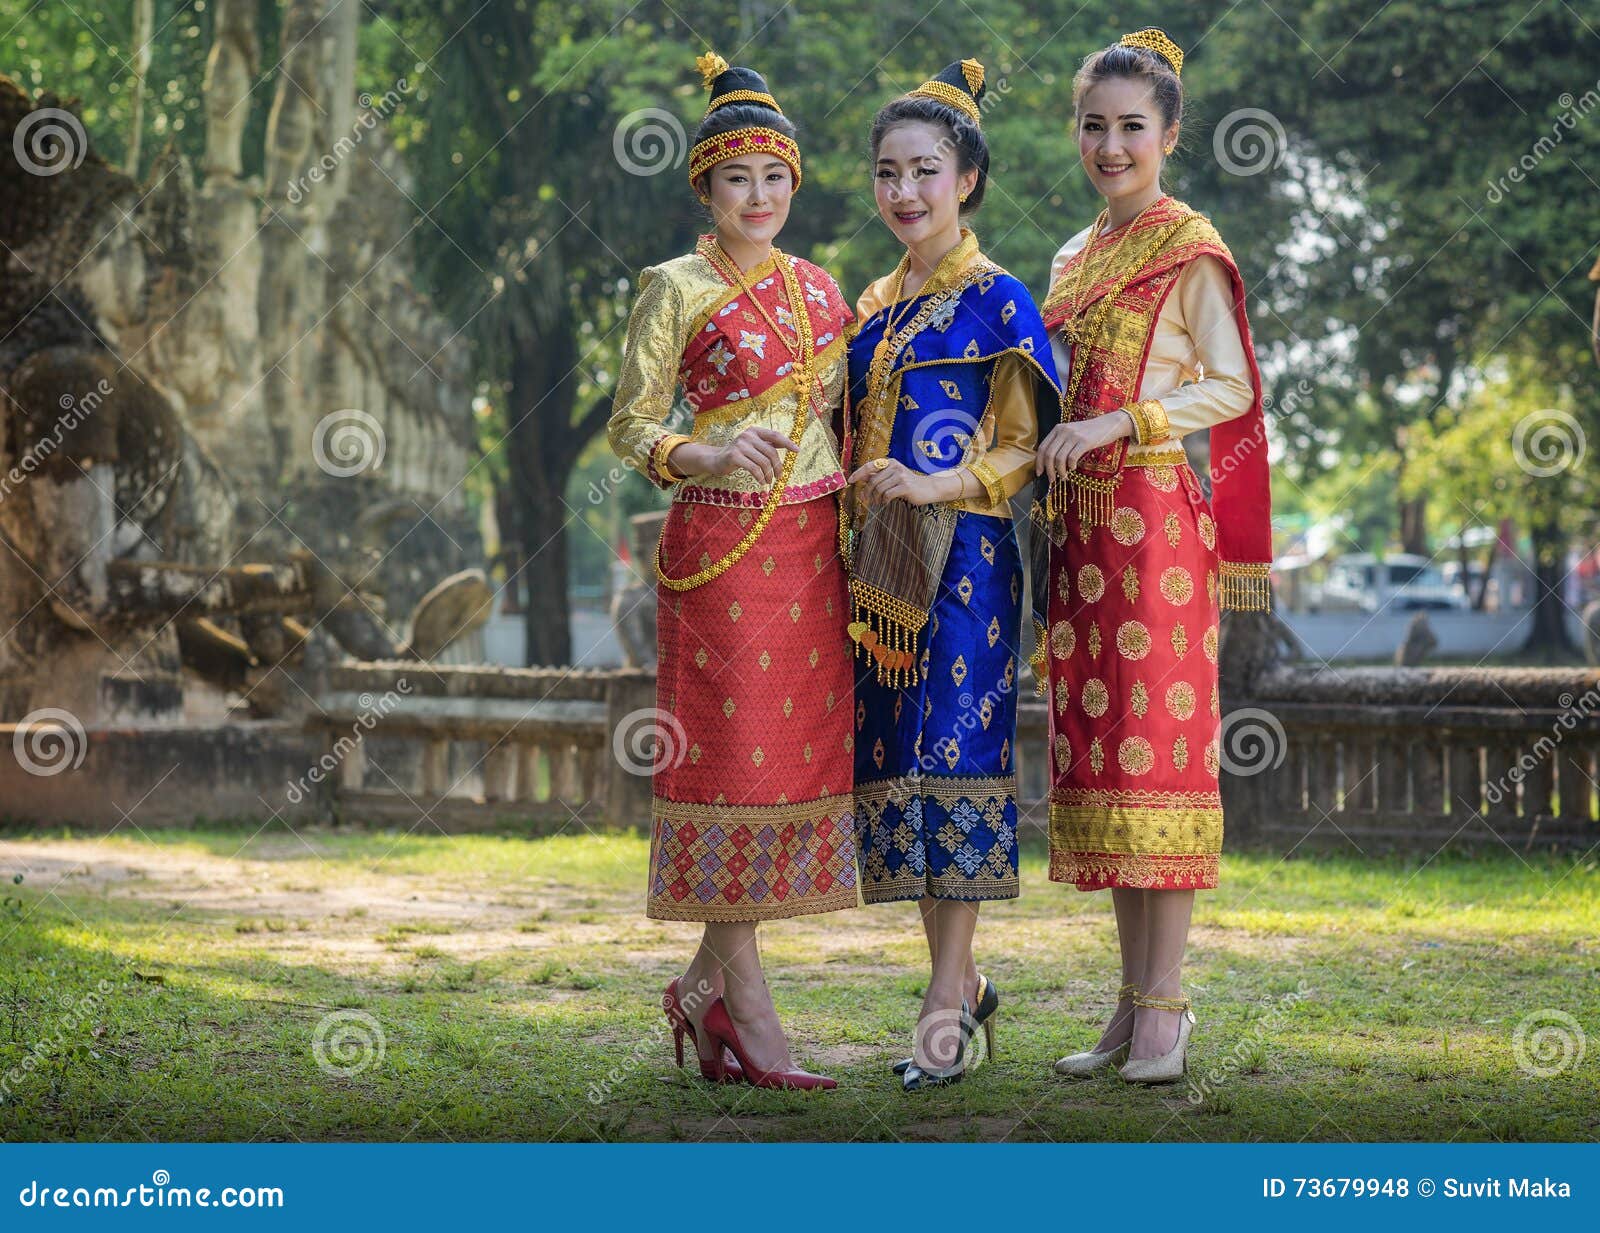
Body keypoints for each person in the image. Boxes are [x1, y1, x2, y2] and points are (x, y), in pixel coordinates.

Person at [605, 51, 859, 1091]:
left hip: (812, 548)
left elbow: (843, 416)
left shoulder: (819, 289)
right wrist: (702, 453)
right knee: (729, 766)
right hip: (719, 546)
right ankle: (743, 1008)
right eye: (735, 179)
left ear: (793, 185)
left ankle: (705, 988)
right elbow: (629, 423)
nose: (758, 197)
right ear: (705, 190)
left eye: (774, 178)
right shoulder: (673, 288)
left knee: (789, 771)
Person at [1031, 28, 1273, 1084]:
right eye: (1095, 125)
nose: (1111, 144)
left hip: (1158, 535)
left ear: (1169, 135)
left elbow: (1228, 388)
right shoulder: (1072, 259)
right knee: (1107, 766)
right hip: (1078, 538)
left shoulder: (1190, 250)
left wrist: (1121, 422)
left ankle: (1169, 1009)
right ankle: (1130, 1008)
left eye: (1132, 126)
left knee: (1159, 761)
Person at [844, 59, 1060, 1091]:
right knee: (906, 770)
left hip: (967, 561)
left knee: (960, 760)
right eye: (887, 173)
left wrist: (936, 488)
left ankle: (944, 1002)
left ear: (966, 178)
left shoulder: (1000, 301)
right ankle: (959, 986)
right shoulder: (870, 311)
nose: (904, 193)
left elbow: (1023, 449)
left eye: (925, 171)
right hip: (878, 573)